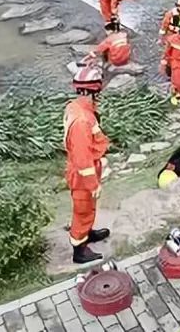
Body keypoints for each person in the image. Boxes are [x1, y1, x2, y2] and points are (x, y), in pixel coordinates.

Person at [64, 62, 112, 264]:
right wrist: (93, 184)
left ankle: (86, 234)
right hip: (84, 175)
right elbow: (83, 159)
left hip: (85, 169)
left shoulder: (74, 107)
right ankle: (79, 250)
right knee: (82, 210)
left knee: (88, 209)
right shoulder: (83, 121)